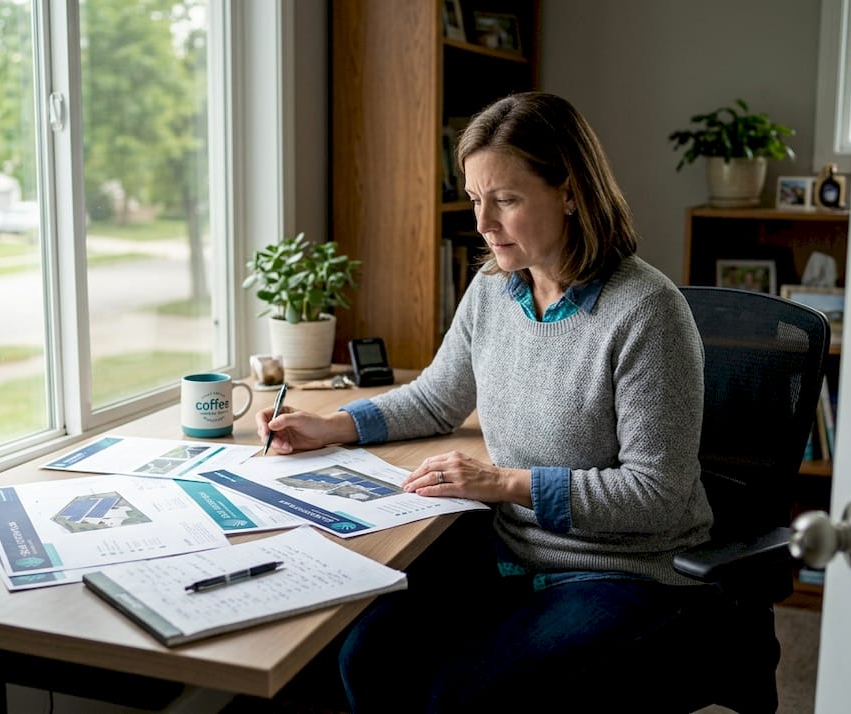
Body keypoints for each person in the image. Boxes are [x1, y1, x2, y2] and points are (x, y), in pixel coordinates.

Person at [257, 91, 721, 712]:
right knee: (365, 655)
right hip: (510, 553)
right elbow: (434, 399)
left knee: (462, 695)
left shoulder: (646, 312)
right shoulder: (495, 289)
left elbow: (656, 494)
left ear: (570, 192)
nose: (482, 223)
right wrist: (330, 426)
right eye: (477, 199)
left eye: (505, 199)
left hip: (624, 571)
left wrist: (502, 482)